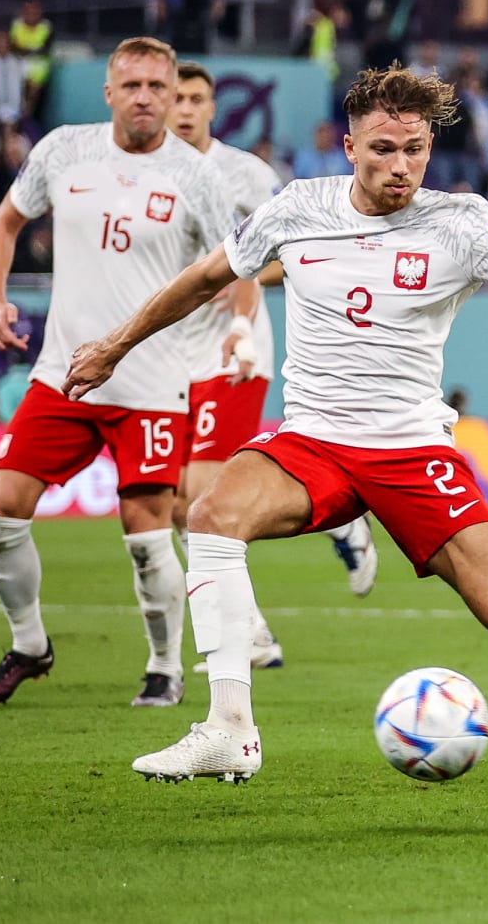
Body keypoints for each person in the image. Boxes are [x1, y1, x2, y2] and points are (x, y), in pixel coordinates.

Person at [63, 66, 488, 792]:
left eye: (414, 149)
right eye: (382, 149)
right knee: (212, 515)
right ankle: (229, 730)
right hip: (313, 443)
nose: (400, 166)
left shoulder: (459, 222)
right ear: (348, 146)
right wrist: (115, 345)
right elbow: (206, 277)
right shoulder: (296, 209)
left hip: (411, 448)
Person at [0, 36, 236, 709]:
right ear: (110, 93)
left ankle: (164, 666)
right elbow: (2, 225)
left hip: (150, 381)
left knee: (147, 530)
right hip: (62, 371)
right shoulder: (63, 150)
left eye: (159, 86)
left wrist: (235, 334)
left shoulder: (197, 177)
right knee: (3, 509)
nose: (146, 97)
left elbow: (232, 266)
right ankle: (30, 644)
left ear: (175, 97)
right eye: (134, 85)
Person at [170, 61, 381, 671]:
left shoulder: (246, 174)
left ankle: (247, 636)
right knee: (173, 508)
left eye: (195, 98)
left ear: (213, 108)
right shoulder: (145, 175)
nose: (183, 108)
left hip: (233, 351)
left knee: (198, 497)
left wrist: (232, 278)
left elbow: (291, 256)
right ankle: (334, 532)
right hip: (169, 358)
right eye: (175, 97)